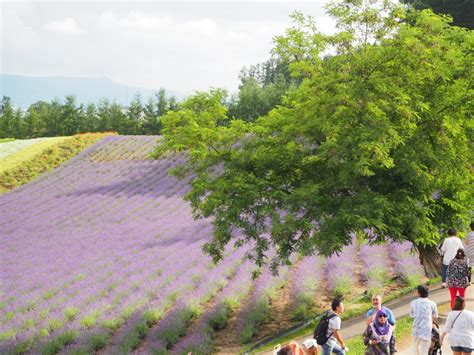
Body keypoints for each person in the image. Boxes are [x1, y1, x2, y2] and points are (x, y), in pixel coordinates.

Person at [410, 285, 438, 355]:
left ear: (419, 293)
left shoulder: (413, 303)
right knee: (424, 351)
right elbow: (435, 316)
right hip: (427, 330)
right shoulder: (432, 304)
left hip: (416, 329)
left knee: (415, 349)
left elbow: (412, 315)